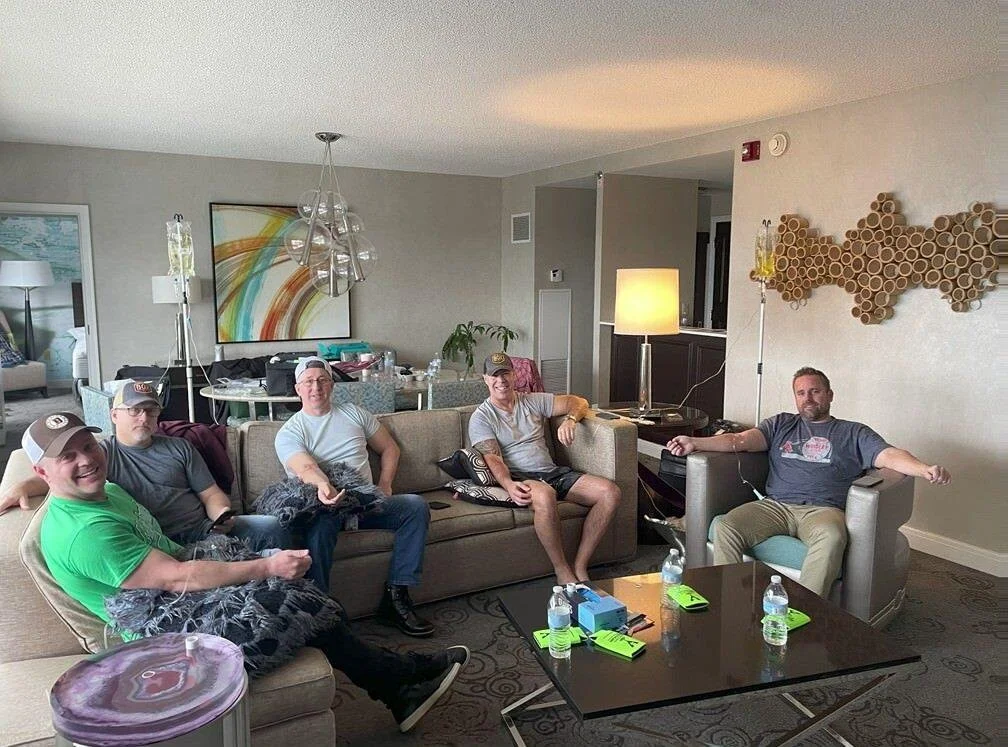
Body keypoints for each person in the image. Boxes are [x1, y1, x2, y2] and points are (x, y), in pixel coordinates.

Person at [23, 412, 468, 734]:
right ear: (42, 471)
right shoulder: (85, 532)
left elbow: (173, 555)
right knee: (295, 597)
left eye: (87, 446)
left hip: (177, 591)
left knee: (303, 592)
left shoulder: (106, 490)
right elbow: (176, 577)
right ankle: (399, 681)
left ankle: (398, 685)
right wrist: (266, 566)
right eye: (68, 457)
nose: (86, 459)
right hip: (158, 634)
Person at [666, 366, 951, 596]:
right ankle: (729, 599)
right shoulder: (780, 424)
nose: (808, 398)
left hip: (823, 510)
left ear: (829, 395)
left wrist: (924, 469)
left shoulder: (852, 433)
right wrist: (694, 442)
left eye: (815, 391)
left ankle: (805, 613)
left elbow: (889, 455)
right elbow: (738, 440)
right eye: (801, 393)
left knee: (832, 537)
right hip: (775, 506)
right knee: (726, 526)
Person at [0, 381, 290, 553]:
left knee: (275, 527)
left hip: (205, 529)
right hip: (159, 542)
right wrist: (23, 485)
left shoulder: (180, 447)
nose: (144, 418)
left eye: (150, 411)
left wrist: (221, 515)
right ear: (114, 415)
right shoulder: (101, 454)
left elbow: (210, 493)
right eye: (135, 410)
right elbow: (65, 477)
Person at [275, 357, 434, 637]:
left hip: (365, 502)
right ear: (297, 389)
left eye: (322, 380)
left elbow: (390, 448)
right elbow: (305, 467)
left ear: (332, 385)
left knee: (415, 507)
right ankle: (320, 611)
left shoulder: (355, 414)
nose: (316, 387)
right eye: (308, 382)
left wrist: (385, 484)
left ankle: (396, 597)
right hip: (324, 505)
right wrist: (324, 487)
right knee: (319, 527)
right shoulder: (290, 431)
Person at [469, 352, 621, 585]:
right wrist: (508, 485)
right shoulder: (481, 417)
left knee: (610, 492)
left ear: (514, 375)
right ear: (485, 379)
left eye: (505, 373)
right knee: (546, 495)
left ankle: (580, 565)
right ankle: (562, 570)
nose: (501, 380)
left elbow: (579, 402)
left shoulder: (532, 400)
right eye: (494, 375)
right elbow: (492, 458)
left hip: (552, 472)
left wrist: (570, 420)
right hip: (521, 477)